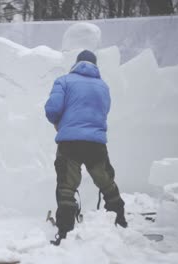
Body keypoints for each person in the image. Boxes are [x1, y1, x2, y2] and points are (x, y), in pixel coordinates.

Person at [44, 50, 128, 246]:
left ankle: (65, 233)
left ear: (76, 63)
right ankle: (120, 222)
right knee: (107, 183)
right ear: (94, 65)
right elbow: (104, 111)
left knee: (67, 187)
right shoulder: (103, 86)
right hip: (96, 144)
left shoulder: (64, 81)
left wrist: (58, 122)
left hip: (70, 143)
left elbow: (52, 109)